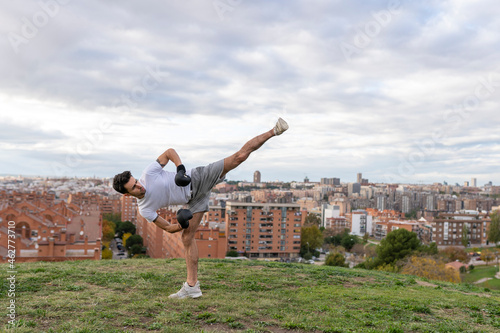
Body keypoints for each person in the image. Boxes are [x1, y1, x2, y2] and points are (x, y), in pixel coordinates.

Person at [112, 118, 289, 299]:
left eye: (136, 182)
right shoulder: (145, 209)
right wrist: (181, 222)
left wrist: (180, 169)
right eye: (134, 188)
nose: (140, 186)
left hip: (197, 178)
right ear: (127, 195)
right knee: (186, 237)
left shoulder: (148, 173)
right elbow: (167, 228)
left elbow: (169, 152)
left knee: (239, 157)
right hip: (194, 200)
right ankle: (192, 287)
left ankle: (274, 130)